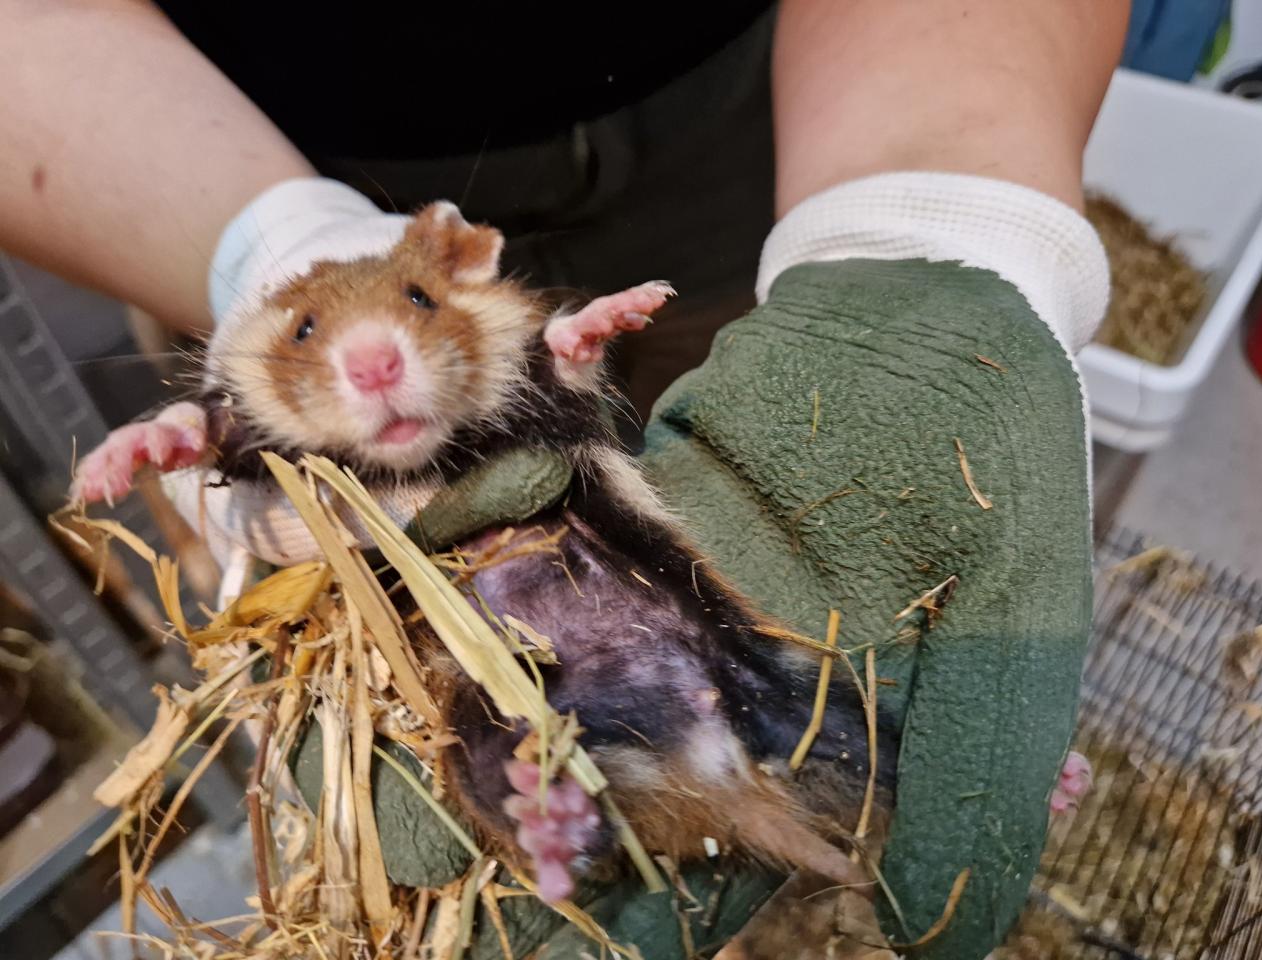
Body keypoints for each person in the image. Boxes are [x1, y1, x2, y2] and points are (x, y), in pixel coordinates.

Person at [0, 3, 1130, 957]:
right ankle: (556, 826)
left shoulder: (501, 344)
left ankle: (914, 748)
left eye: (411, 313)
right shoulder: (253, 376)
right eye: (303, 335)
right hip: (176, 149)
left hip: (762, 119)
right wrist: (208, 377)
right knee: (490, 730)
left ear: (458, 270)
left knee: (779, 662)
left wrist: (938, 220)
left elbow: (559, 401)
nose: (372, 362)